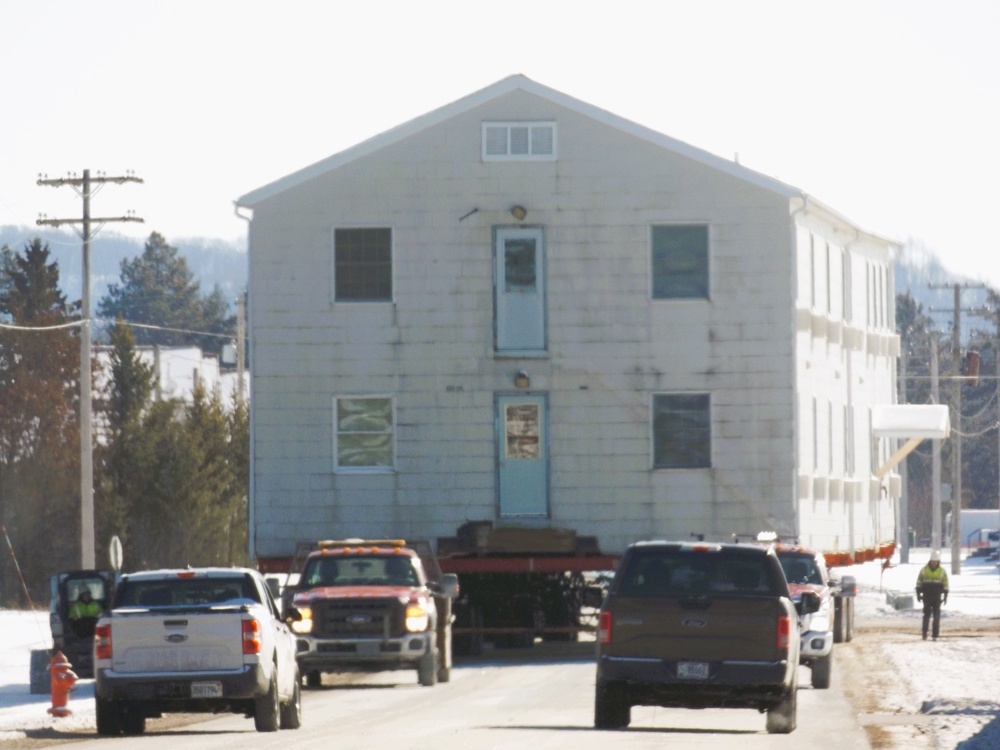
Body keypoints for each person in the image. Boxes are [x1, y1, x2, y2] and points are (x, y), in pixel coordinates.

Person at [916, 550, 949, 640]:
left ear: (938, 562)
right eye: (933, 562)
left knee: (936, 616)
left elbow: (945, 584)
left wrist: (945, 595)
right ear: (930, 561)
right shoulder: (924, 570)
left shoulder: (942, 571)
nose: (934, 563)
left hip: (937, 597)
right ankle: (924, 633)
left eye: (936, 562)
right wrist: (918, 594)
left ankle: (935, 635)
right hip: (927, 596)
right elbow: (919, 582)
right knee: (926, 615)